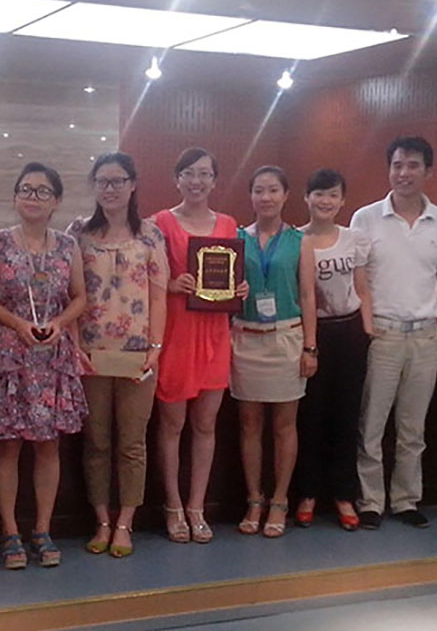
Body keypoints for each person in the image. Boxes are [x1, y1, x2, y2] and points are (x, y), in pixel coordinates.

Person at [0, 162, 88, 570]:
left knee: (48, 445)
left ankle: (42, 529)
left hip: (53, 357)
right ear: (15, 197)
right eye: (26, 189)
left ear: (56, 201)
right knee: (8, 446)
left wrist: (59, 323)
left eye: (43, 191)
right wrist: (17, 324)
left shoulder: (68, 246)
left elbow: (80, 297)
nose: (33, 197)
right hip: (12, 355)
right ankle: (10, 531)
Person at [350, 136, 437, 530]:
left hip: (425, 336)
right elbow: (358, 277)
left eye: (413, 165)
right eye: (397, 165)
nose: (404, 173)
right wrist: (367, 325)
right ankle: (370, 501)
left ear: (428, 171)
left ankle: (406, 500)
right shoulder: (365, 218)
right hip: (383, 333)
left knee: (413, 428)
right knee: (372, 424)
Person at [68, 152, 168, 558]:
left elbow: (158, 295)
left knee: (132, 443)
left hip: (137, 355)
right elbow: (71, 294)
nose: (110, 188)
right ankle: (102, 521)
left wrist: (156, 347)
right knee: (96, 442)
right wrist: (75, 345)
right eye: (102, 181)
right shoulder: (78, 233)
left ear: (132, 185)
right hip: (90, 354)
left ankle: (125, 522)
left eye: (118, 181)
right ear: (94, 186)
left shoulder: (151, 235)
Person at [153, 147, 248, 543]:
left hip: (214, 334)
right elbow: (146, 277)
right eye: (189, 173)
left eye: (205, 174)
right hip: (176, 332)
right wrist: (171, 284)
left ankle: (197, 506)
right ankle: (173, 505)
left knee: (206, 425)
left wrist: (239, 288)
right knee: (172, 425)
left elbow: (232, 273)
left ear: (214, 180)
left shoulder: (228, 224)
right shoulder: (159, 223)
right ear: (177, 178)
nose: (197, 181)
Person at [231, 166, 317, 539]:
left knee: (284, 426)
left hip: (286, 338)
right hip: (246, 338)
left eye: (273, 190)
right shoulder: (236, 238)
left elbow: (308, 296)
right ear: (250, 195)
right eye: (259, 190)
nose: (265, 197)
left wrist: (310, 347)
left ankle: (280, 500)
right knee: (249, 425)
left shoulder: (301, 241)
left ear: (285, 195)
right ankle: (254, 498)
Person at [296, 168, 372, 532]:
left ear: (342, 201)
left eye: (332, 195)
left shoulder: (354, 239)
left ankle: (344, 494)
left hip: (350, 332)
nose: (325, 201)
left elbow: (363, 288)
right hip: (313, 334)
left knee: (347, 415)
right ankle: (307, 493)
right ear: (306, 198)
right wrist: (307, 344)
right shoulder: (295, 239)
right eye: (318, 194)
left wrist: (367, 332)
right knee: (310, 417)